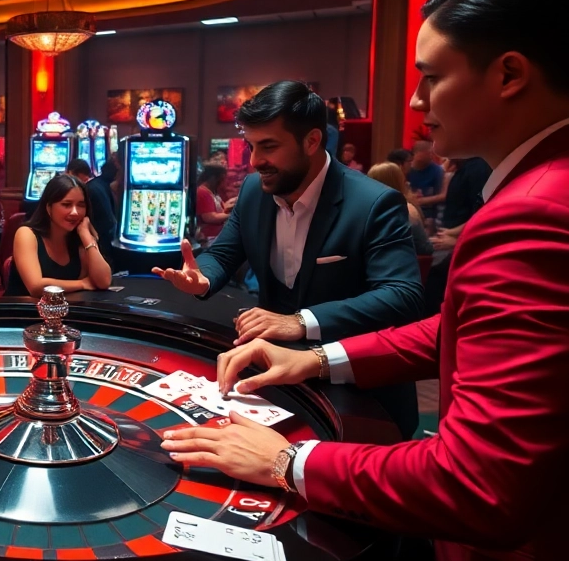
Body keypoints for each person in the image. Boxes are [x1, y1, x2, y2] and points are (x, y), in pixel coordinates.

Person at [159, 0, 569, 561]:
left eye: (432, 76)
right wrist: (314, 360)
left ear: (510, 73)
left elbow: (481, 484)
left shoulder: (535, 213)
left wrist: (288, 462)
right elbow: (464, 332)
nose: (415, 100)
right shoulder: (548, 185)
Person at [152, 80, 423, 437]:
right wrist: (203, 276)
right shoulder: (254, 190)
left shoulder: (374, 203)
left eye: (268, 146)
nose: (254, 161)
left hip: (361, 395)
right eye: (251, 146)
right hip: (282, 385)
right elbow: (225, 252)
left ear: (312, 141)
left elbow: (402, 295)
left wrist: (301, 321)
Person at [7, 174, 112, 297]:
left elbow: (104, 281)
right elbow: (36, 287)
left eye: (81, 205)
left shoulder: (77, 237)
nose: (75, 212)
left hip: (63, 311)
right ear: (49, 207)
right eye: (66, 204)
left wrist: (86, 236)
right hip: (22, 312)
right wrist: (82, 284)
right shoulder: (27, 234)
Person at [367, 162, 433, 256]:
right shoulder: (408, 209)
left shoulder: (365, 211)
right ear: (398, 181)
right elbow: (425, 249)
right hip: (410, 265)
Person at [67, 159, 117, 256]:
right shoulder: (99, 183)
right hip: (110, 234)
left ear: (72, 173)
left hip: (99, 241)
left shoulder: (86, 190)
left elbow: (83, 219)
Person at [194, 164, 232, 246]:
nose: (223, 182)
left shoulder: (211, 191)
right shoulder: (202, 192)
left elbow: (221, 209)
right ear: (213, 178)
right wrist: (232, 214)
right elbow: (210, 217)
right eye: (222, 179)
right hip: (209, 239)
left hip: (217, 236)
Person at [407, 140, 446, 218]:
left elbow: (441, 195)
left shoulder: (437, 170)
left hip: (430, 213)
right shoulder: (406, 169)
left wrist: (421, 201)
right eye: (429, 153)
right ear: (418, 154)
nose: (432, 156)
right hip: (408, 209)